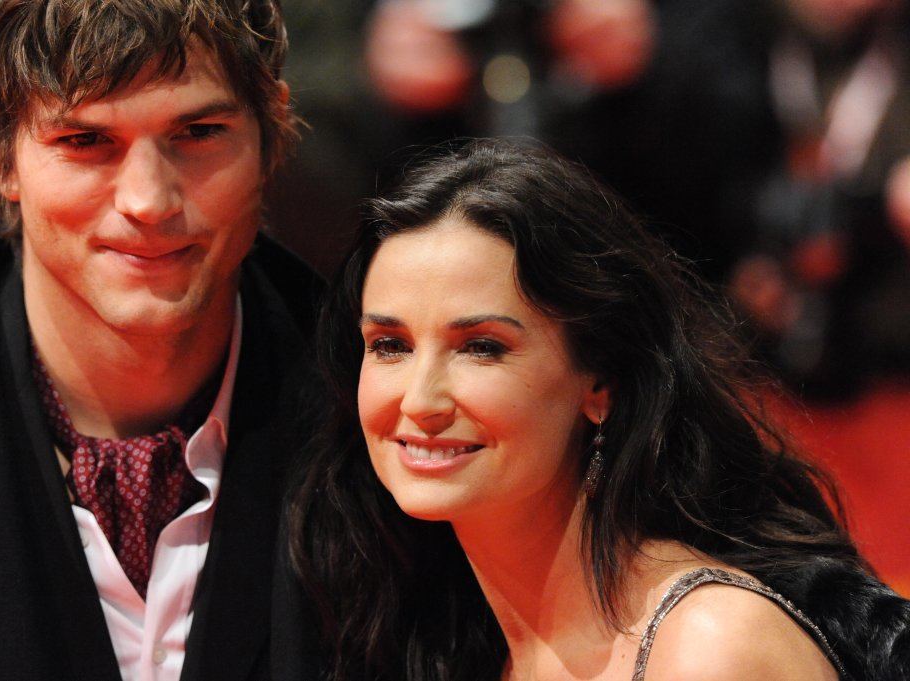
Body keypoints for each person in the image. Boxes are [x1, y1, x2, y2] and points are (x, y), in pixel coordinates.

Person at [289, 139, 910, 680]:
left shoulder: (711, 647)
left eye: (482, 347)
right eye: (389, 345)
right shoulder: (434, 638)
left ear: (601, 382)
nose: (419, 400)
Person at [0, 1, 322, 679]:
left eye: (199, 132)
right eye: (86, 141)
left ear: (271, 133)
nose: (149, 200)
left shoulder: (381, 421)